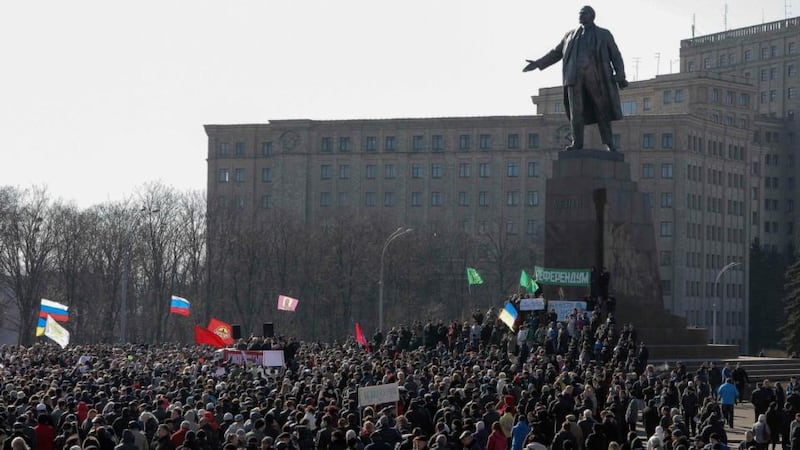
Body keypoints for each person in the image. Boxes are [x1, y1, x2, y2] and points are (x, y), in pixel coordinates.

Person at [523, 6, 628, 152]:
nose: (581, 16)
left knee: (602, 109)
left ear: (592, 16)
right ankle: (577, 143)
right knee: (576, 112)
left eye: (584, 13)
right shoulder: (569, 36)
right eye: (580, 14)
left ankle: (609, 143)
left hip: (596, 77)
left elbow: (615, 55)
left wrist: (620, 73)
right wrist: (538, 63)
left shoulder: (604, 34)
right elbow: (555, 53)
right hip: (574, 79)